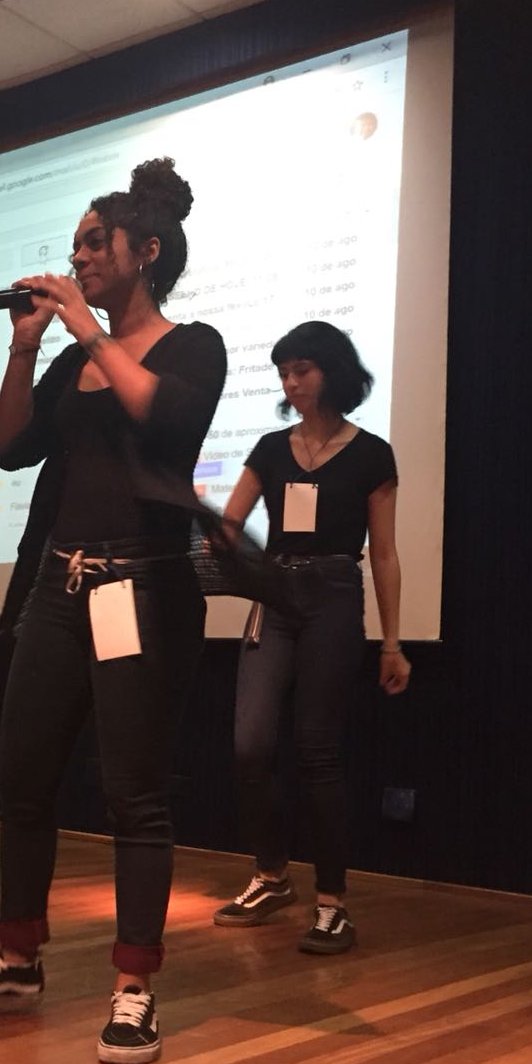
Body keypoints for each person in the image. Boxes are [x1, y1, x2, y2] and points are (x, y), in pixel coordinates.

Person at [0, 158, 225, 1064]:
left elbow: (168, 424)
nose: (78, 258)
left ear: (147, 251)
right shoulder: (67, 361)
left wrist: (89, 332)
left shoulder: (192, 345)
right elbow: (8, 446)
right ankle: (18, 960)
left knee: (135, 792)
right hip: (58, 588)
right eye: (76, 246)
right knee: (22, 777)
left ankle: (134, 986)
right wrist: (25, 347)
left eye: (96, 243)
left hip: (142, 591)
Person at [210, 322, 410, 951]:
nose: (290, 383)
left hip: (333, 595)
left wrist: (393, 643)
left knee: (317, 749)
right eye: (283, 373)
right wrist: (208, 528)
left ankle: (332, 904)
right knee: (249, 744)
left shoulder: (372, 453)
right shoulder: (271, 449)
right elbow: (231, 524)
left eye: (301, 370)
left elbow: (384, 554)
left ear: (332, 370)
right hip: (275, 595)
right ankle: (272, 875)